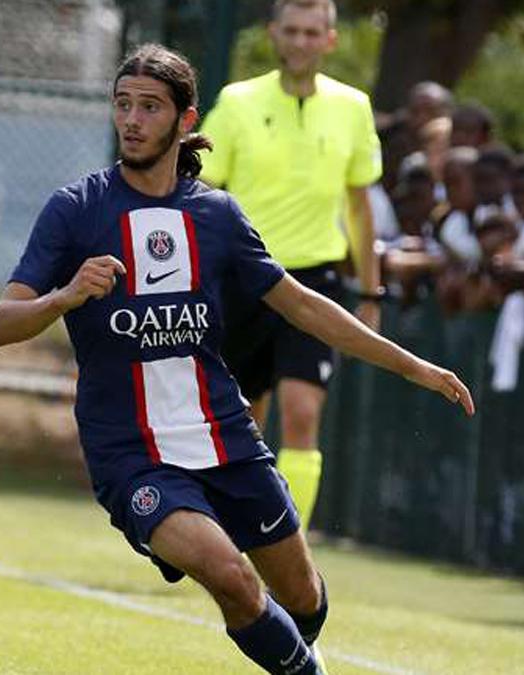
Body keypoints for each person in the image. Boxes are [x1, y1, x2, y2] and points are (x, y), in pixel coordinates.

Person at [0, 43, 475, 675]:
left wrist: (414, 366)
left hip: (225, 436)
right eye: (123, 105)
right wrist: (65, 295)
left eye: (150, 107)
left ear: (186, 120)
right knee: (233, 578)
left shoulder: (214, 215)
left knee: (303, 601)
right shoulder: (77, 209)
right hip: (131, 451)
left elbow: (302, 305)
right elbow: (0, 326)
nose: (132, 120)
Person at [196, 0, 385, 535]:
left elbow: (359, 204)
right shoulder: (237, 102)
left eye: (312, 32)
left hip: (316, 279)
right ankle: (235, 536)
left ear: (329, 40)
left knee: (302, 413)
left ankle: (290, 541)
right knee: (243, 421)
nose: (301, 42)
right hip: (244, 278)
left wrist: (372, 293)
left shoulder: (353, 107)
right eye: (291, 31)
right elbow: (206, 184)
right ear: (274, 35)